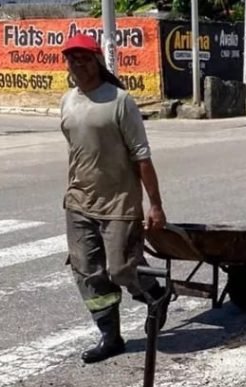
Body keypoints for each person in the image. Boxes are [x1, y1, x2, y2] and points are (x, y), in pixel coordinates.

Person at [59, 33, 168, 364]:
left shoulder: (120, 101)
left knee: (120, 270)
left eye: (84, 57)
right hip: (79, 201)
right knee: (88, 272)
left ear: (97, 61)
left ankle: (155, 294)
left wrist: (155, 205)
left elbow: (142, 157)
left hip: (119, 202)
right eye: (72, 58)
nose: (78, 63)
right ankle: (110, 336)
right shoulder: (67, 100)